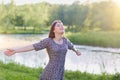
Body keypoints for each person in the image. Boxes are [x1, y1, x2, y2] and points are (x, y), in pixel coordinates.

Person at [4, 20, 81, 80]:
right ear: (53, 30)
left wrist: (76, 51)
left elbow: (72, 46)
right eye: (58, 26)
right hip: (50, 73)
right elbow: (33, 46)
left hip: (60, 72)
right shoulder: (49, 41)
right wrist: (15, 50)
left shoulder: (65, 41)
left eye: (62, 25)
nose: (61, 27)